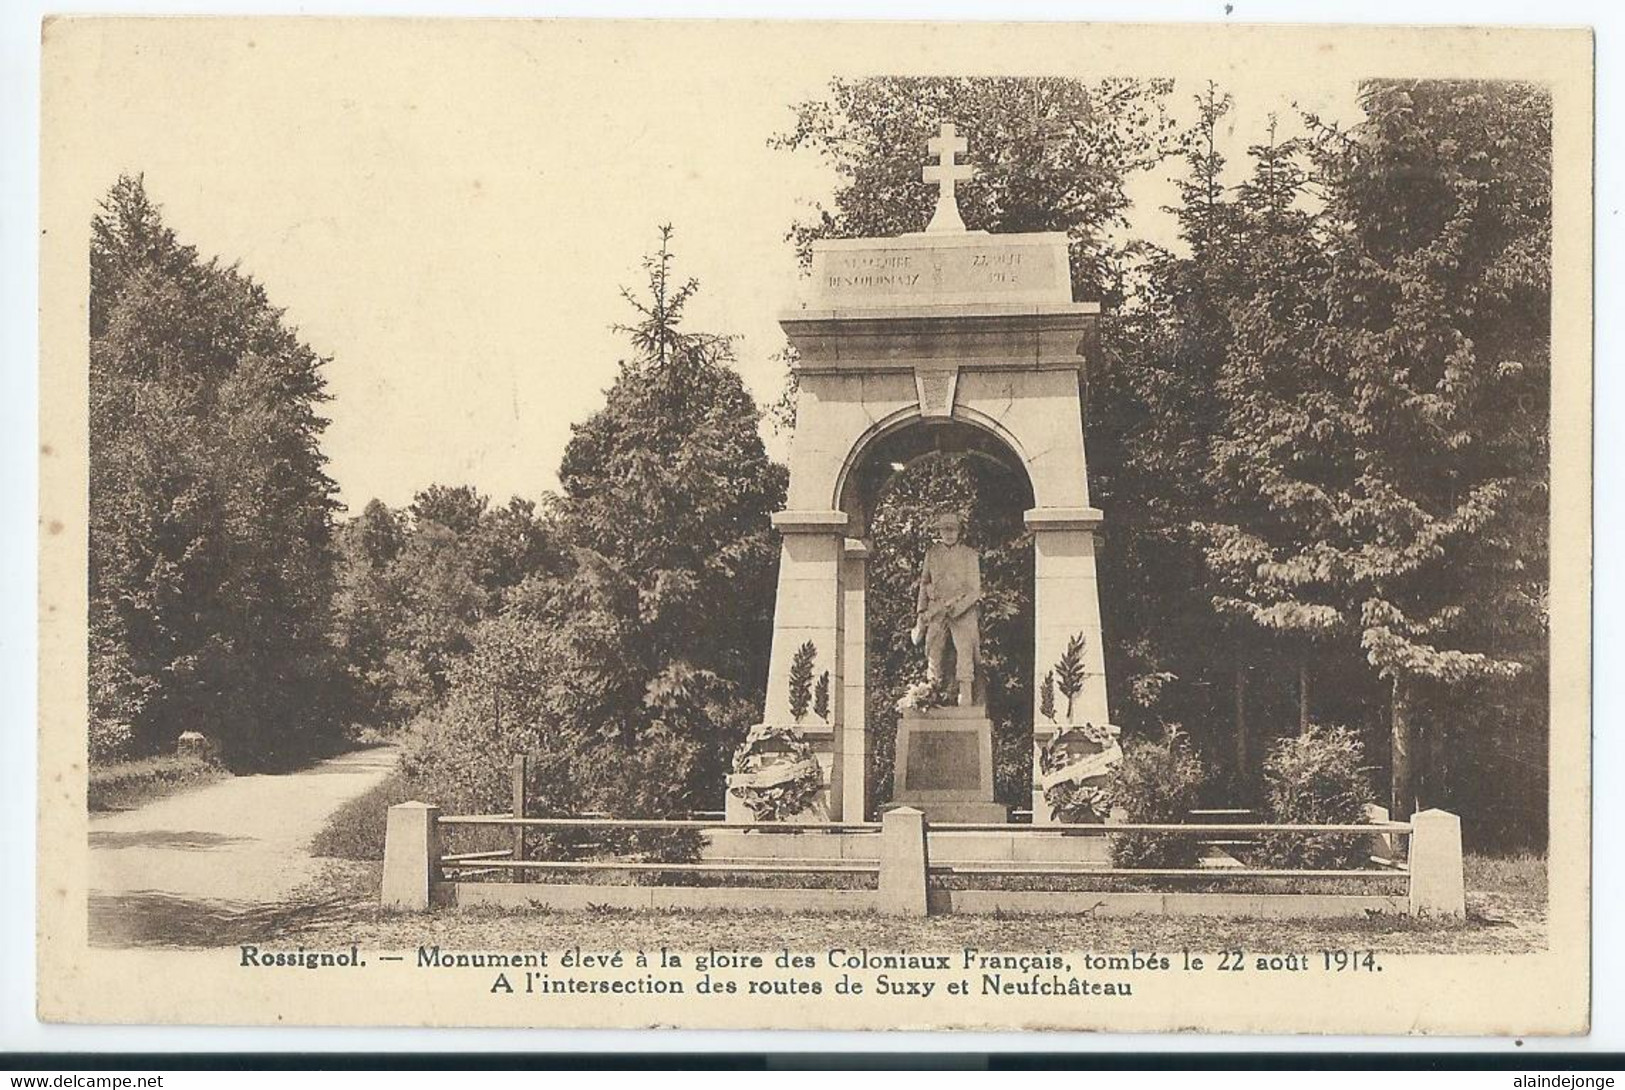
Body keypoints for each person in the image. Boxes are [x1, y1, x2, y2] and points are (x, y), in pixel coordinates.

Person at [911, 509, 982, 706]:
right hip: (936, 612)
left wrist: (957, 607)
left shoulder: (969, 555)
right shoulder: (932, 554)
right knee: (934, 652)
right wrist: (922, 612)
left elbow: (975, 590)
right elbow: (924, 583)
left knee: (965, 652)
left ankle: (965, 696)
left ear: (959, 531)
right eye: (944, 529)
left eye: (953, 529)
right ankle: (930, 696)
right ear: (939, 532)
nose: (949, 533)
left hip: (963, 612)